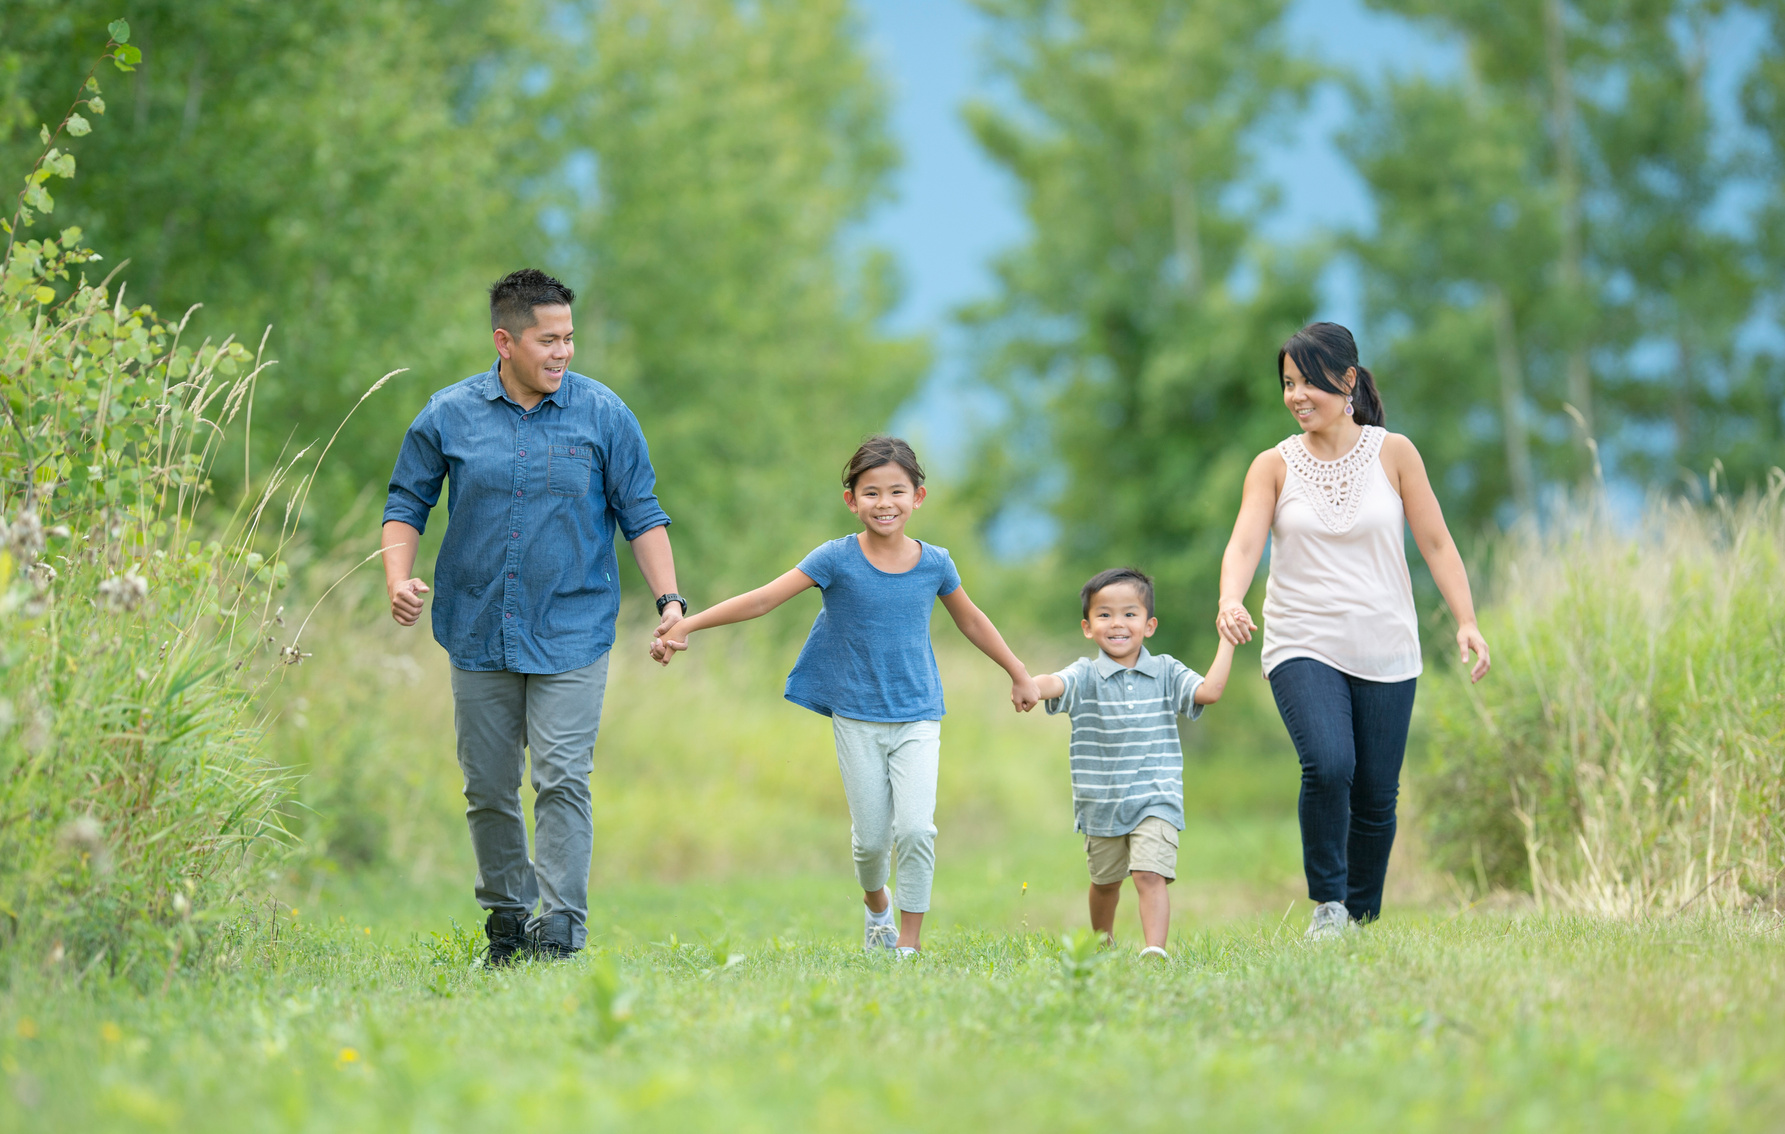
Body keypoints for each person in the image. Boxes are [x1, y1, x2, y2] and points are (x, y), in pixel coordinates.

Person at [381, 268, 687, 965]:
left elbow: (641, 514)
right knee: (487, 787)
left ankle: (562, 930)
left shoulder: (603, 415)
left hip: (573, 629)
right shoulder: (447, 415)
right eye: (548, 340)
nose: (562, 353)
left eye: (569, 339)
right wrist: (397, 577)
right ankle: (507, 921)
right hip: (476, 627)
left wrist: (670, 603)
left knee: (561, 776)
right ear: (504, 340)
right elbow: (405, 503)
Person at [650, 436, 1040, 956]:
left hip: (918, 713)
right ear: (851, 500)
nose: (885, 503)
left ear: (918, 497)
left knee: (918, 830)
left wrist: (1018, 672)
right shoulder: (835, 558)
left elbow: (970, 619)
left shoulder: (935, 563)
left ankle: (908, 944)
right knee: (872, 839)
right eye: (871, 492)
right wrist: (688, 625)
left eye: (897, 492)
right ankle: (876, 902)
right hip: (856, 715)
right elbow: (764, 598)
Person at [1215, 322, 1490, 939]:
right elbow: (1244, 542)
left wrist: (1467, 620)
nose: (1296, 395)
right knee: (1330, 763)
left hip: (1386, 642)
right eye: (1288, 383)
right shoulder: (1272, 465)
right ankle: (1329, 907)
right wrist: (1230, 598)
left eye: (1309, 381)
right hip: (1301, 640)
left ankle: (1361, 918)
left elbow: (1438, 543)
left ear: (1347, 380)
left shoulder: (1395, 453)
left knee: (1376, 794)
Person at [1025, 568, 1234, 958]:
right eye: (1104, 615)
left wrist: (1227, 641)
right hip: (1100, 803)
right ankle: (1102, 943)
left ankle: (1155, 950)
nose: (1117, 623)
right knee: (1105, 883)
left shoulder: (1167, 671)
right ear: (1087, 627)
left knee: (1149, 874)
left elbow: (1210, 691)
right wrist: (1029, 684)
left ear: (1149, 625)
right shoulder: (1086, 675)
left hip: (1156, 797)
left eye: (1129, 614)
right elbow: (1054, 683)